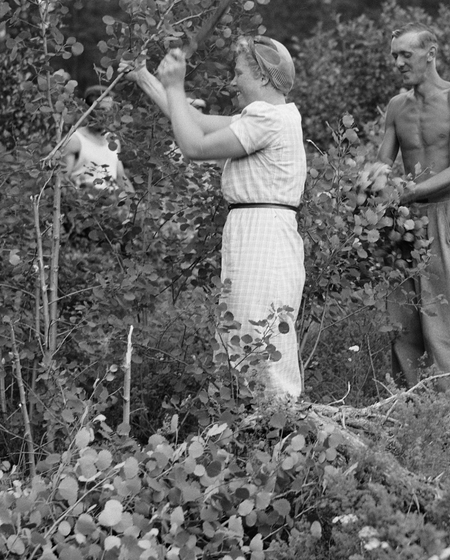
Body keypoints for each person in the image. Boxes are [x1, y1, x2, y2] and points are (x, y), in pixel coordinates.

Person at [129, 37, 306, 400]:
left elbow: (194, 146)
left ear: (261, 75)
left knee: (257, 338)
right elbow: (194, 120)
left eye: (239, 72)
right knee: (240, 333)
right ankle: (251, 429)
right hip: (254, 230)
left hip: (264, 237)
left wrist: (176, 84)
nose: (233, 80)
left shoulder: (269, 119)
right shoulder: (271, 115)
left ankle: (275, 429)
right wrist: (145, 78)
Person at [374, 22, 450, 420]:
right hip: (402, 224)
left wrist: (406, 192)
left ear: (431, 52)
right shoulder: (396, 106)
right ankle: (412, 425)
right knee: (403, 328)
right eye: (394, 56)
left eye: (406, 54)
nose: (398, 62)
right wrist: (368, 181)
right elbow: (382, 165)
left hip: (445, 214)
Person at [59, 84, 132, 191]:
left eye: (110, 110)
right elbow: (62, 181)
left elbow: (121, 177)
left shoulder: (113, 140)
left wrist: (138, 206)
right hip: (86, 204)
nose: (107, 114)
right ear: (89, 110)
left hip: (113, 204)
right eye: (102, 110)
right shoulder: (75, 141)